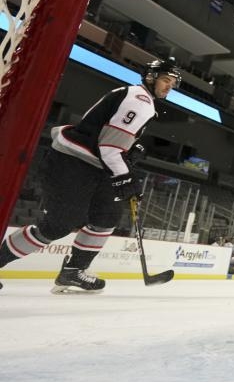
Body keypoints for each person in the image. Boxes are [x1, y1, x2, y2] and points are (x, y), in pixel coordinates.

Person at [0, 58, 180, 293]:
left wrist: (128, 152)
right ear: (151, 77)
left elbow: (104, 135)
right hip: (73, 162)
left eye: (173, 83)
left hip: (95, 164)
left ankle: (73, 271)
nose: (169, 87)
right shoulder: (140, 101)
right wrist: (125, 176)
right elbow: (109, 147)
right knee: (58, 225)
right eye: (166, 80)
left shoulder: (134, 96)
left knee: (106, 216)